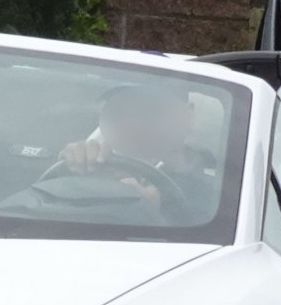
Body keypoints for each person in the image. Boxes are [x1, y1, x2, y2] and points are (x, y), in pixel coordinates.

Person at [58, 82, 217, 217]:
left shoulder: (220, 196)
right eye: (116, 112)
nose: (131, 125)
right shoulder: (92, 168)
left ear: (187, 116)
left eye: (150, 110)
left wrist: (153, 214)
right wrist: (71, 170)